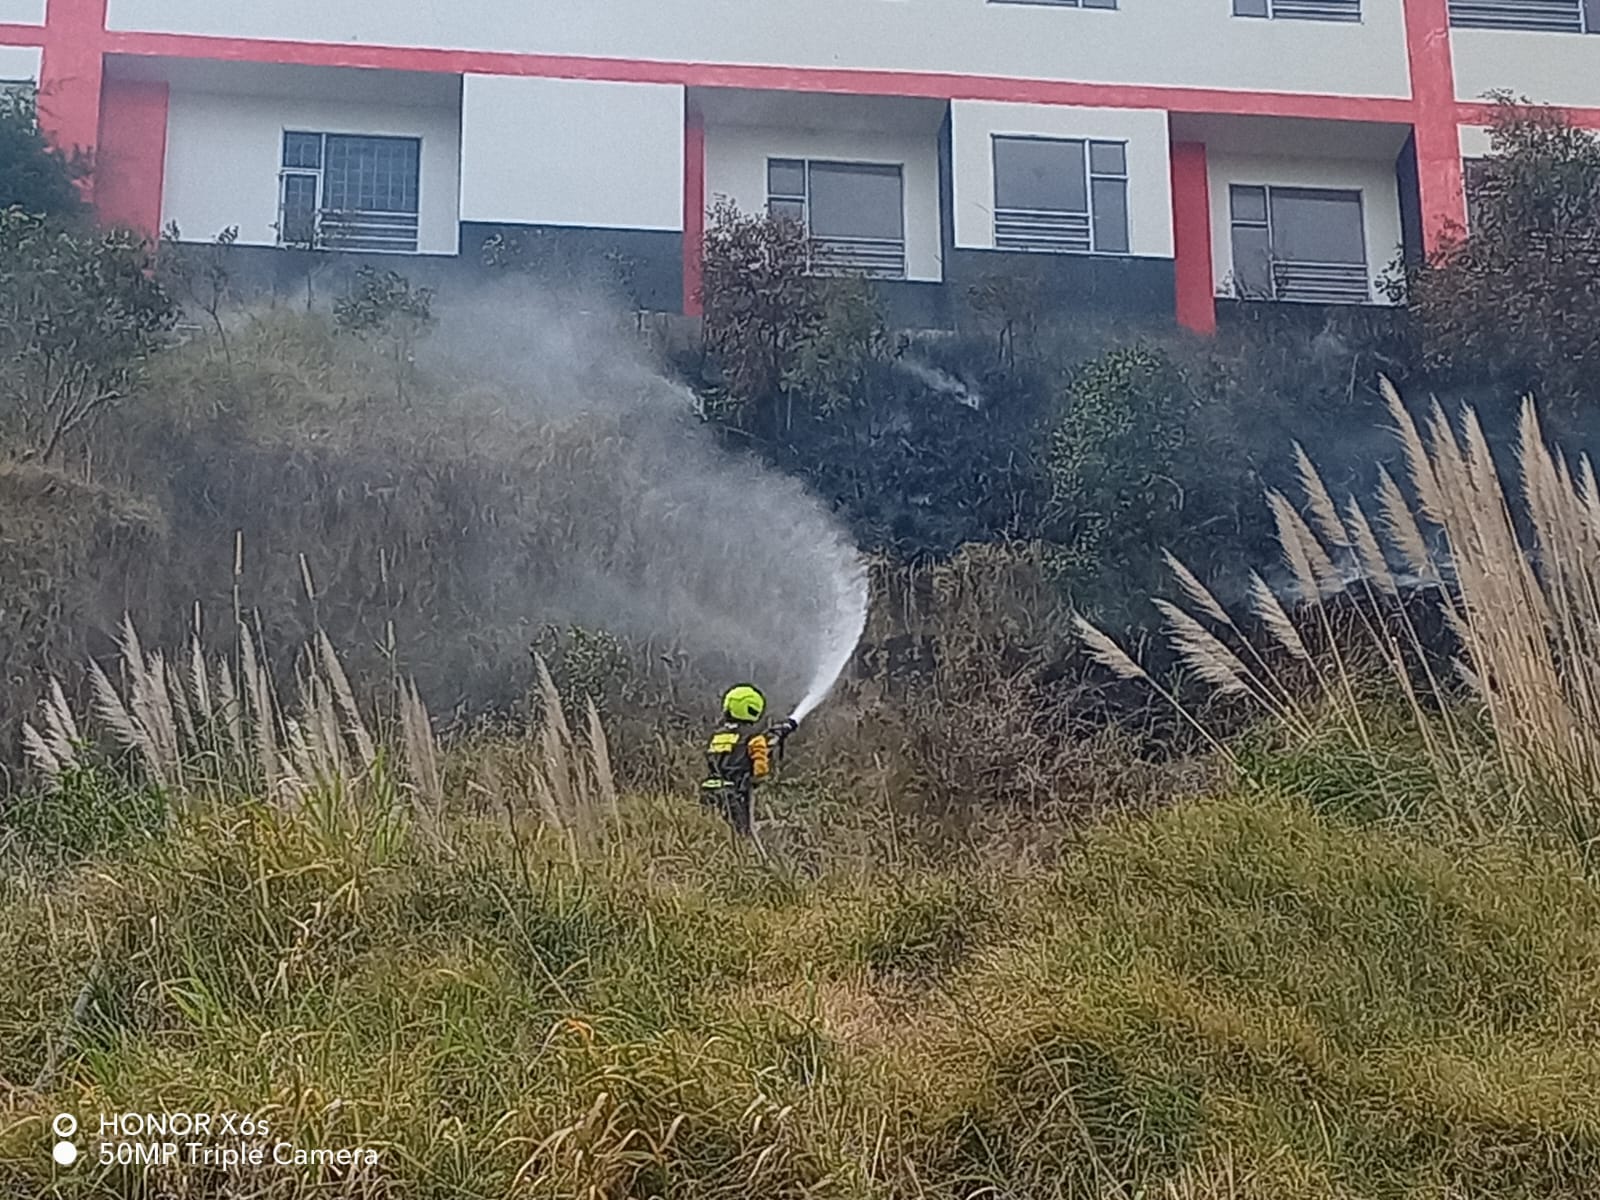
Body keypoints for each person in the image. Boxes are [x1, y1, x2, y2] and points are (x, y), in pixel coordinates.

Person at [700, 684, 797, 836]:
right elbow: (760, 765)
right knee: (740, 832)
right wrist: (759, 776)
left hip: (709, 790)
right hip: (735, 794)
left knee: (711, 830)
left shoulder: (717, 736)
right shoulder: (753, 738)